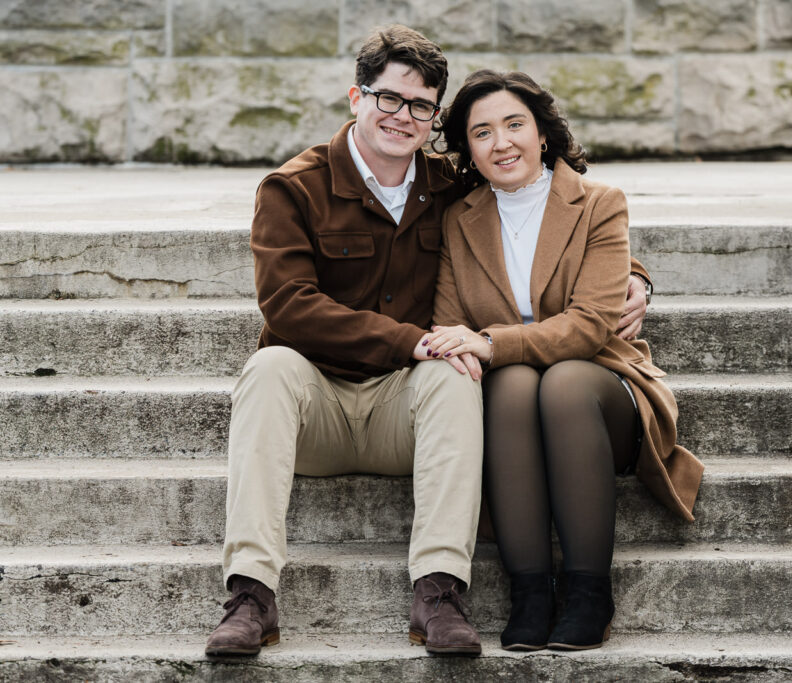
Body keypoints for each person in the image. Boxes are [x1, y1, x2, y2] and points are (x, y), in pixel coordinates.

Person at [205, 27, 651, 658]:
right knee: (270, 364)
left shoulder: (447, 185)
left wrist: (636, 277)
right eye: (389, 99)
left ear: (434, 118)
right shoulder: (292, 188)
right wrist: (413, 341)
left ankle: (439, 594)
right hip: (316, 404)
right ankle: (250, 597)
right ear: (355, 97)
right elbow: (287, 305)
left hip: (401, 408)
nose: (402, 117)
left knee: (453, 371)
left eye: (420, 107)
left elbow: (547, 208)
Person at [426, 70, 704, 652]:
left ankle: (587, 592)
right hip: (511, 403)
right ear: (468, 151)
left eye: (513, 125)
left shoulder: (598, 204)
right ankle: (529, 592)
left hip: (603, 388)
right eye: (482, 132)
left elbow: (591, 325)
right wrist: (478, 348)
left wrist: (493, 343)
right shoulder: (459, 218)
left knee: (562, 383)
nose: (501, 142)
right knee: (515, 385)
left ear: (543, 134)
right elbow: (451, 324)